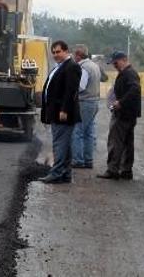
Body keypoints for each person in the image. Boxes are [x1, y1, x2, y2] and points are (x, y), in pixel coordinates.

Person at [39, 40, 82, 184]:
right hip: (57, 111)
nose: (55, 55)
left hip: (62, 113)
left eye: (58, 52)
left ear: (66, 51)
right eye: (53, 52)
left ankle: (56, 173)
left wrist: (64, 110)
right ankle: (66, 174)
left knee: (59, 144)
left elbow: (71, 91)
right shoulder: (60, 67)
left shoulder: (71, 67)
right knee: (65, 145)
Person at [97, 51, 141, 180]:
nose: (114, 65)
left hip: (123, 114)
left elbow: (135, 89)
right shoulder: (127, 73)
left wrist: (121, 102)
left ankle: (112, 170)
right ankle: (126, 171)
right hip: (129, 114)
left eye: (116, 62)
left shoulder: (129, 73)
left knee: (115, 142)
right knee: (127, 143)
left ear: (124, 59)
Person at [71, 45, 101, 169]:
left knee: (77, 131)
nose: (73, 57)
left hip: (84, 102)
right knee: (89, 132)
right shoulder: (95, 66)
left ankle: (78, 160)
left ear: (78, 55)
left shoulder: (83, 67)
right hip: (94, 102)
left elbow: (81, 87)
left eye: (74, 54)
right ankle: (88, 160)